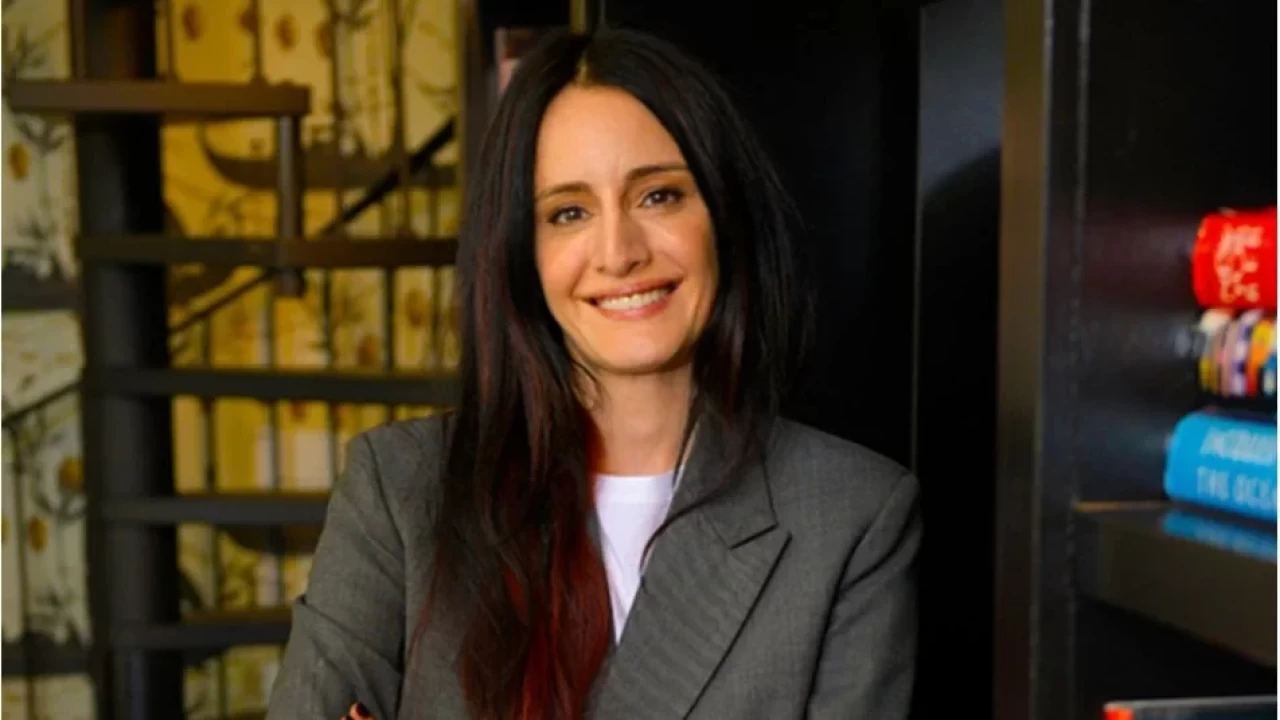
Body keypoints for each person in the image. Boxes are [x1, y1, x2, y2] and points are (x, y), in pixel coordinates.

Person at [265, 26, 921, 720]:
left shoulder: (850, 515)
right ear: (522, 252)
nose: (618, 252)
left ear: (723, 212)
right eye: (569, 212)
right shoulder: (402, 489)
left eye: (658, 196)